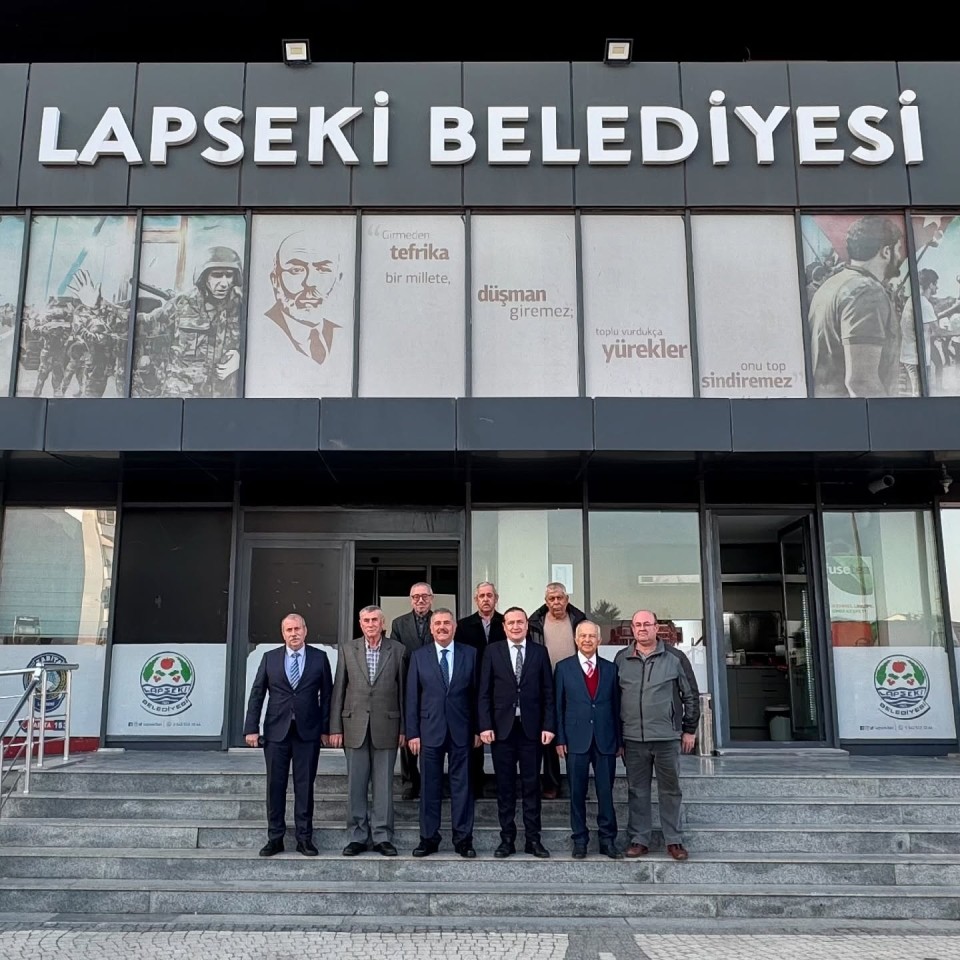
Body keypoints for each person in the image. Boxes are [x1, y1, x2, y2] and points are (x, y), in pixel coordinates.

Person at [243, 613, 333, 857]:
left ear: (305, 630)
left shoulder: (319, 658)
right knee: (275, 786)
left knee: (305, 787)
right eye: (289, 630)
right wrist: (251, 728)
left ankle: (304, 839)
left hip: (308, 733)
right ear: (283, 633)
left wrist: (326, 729)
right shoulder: (270, 658)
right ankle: (275, 838)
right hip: (276, 732)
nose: (294, 633)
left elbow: (327, 697)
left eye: (297, 629)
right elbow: (257, 693)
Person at [615, 609, 699, 862]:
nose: (642, 628)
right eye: (637, 625)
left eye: (647, 624)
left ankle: (673, 840)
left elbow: (690, 694)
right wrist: (617, 737)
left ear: (656, 627)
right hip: (632, 738)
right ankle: (639, 839)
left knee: (670, 790)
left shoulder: (675, 657)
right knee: (637, 790)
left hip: (666, 737)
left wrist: (689, 729)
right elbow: (613, 700)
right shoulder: (621, 659)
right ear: (632, 629)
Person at [329, 605, 407, 858]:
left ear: (383, 624)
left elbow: (404, 693)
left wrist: (404, 728)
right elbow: (339, 690)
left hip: (388, 726)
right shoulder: (347, 649)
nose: (371, 624)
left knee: (384, 786)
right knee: (356, 784)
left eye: (375, 620)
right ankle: (357, 836)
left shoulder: (398, 650)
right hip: (354, 726)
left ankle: (383, 836)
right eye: (366, 620)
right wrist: (335, 727)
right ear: (360, 624)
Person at [478, 606, 556, 859]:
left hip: (532, 730)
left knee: (532, 785)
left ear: (526, 625)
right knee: (505, 786)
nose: (515, 626)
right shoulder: (493, 651)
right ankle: (507, 839)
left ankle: (533, 839)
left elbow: (548, 693)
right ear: (504, 627)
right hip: (502, 730)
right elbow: (484, 692)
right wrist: (485, 725)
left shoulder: (539, 652)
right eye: (510, 622)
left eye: (519, 622)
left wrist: (549, 725)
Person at [405, 607, 479, 859]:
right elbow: (412, 697)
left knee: (463, 787)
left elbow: (477, 694)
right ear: (431, 628)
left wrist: (478, 728)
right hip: (429, 731)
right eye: (437, 624)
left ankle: (463, 839)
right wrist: (413, 733)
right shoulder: (419, 656)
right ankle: (428, 838)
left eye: (447, 623)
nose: (442, 627)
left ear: (455, 627)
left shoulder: (470, 654)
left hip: (462, 731)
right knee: (429, 787)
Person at [809, 215, 904, 398]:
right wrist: (888, 415)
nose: (899, 256)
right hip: (854, 412)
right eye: (898, 249)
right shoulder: (867, 291)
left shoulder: (832, 284)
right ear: (886, 251)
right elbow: (861, 382)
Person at [133, 245, 243, 398]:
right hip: (182, 395)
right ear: (204, 276)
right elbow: (144, 324)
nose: (224, 283)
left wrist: (241, 357)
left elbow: (265, 346)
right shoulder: (182, 304)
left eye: (229, 275)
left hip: (223, 397)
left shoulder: (241, 306)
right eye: (217, 275)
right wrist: (103, 308)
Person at [554, 620, 623, 859]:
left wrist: (619, 741)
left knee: (606, 792)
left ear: (599, 640)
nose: (587, 640)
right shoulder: (563, 668)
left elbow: (616, 707)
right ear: (575, 639)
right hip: (575, 739)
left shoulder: (610, 669)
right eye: (582, 636)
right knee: (576, 793)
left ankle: (607, 840)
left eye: (591, 636)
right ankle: (580, 840)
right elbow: (558, 706)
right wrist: (560, 739)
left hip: (605, 739)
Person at [527, 582, 586, 799]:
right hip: (545, 683)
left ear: (567, 599)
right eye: (551, 599)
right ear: (546, 602)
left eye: (560, 598)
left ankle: (576, 782)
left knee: (575, 732)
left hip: (574, 682)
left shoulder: (578, 620)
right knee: (548, 733)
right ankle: (551, 782)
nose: (556, 602)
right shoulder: (535, 622)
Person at [454, 581, 506, 798]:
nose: (486, 599)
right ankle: (475, 784)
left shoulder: (506, 623)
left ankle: (502, 785)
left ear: (496, 598)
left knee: (502, 736)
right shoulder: (463, 626)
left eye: (489, 595)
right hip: (472, 687)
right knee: (474, 737)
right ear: (476, 600)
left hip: (501, 688)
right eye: (482, 596)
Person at [390, 582, 435, 801]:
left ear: (431, 599)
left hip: (434, 685)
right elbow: (396, 654)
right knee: (409, 733)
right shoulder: (399, 624)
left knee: (431, 736)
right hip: (408, 683)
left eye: (425, 596)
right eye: (416, 597)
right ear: (411, 600)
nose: (420, 600)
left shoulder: (440, 620)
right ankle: (409, 781)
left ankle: (429, 781)